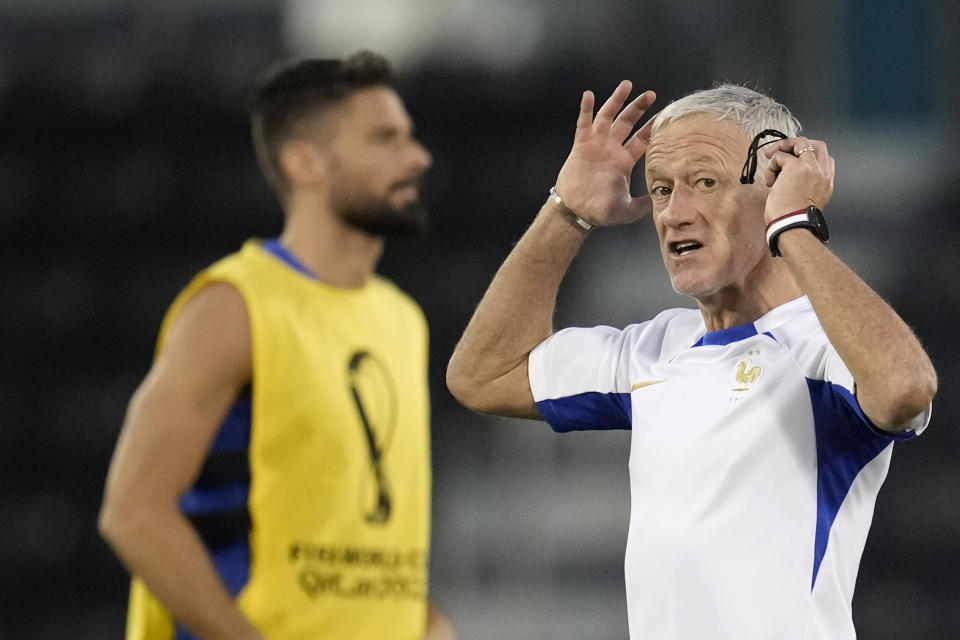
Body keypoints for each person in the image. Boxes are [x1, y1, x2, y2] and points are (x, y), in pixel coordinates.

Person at [446, 81, 936, 639]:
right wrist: (566, 214)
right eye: (659, 189)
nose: (675, 213)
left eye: (706, 182)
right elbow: (482, 375)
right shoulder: (654, 350)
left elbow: (905, 387)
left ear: (775, 186)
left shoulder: (821, 347)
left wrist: (792, 228)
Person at [99, 51, 455, 640]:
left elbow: (358, 533)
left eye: (411, 138)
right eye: (385, 139)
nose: (418, 157)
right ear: (304, 161)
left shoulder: (401, 318)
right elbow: (133, 512)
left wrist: (426, 622)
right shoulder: (235, 305)